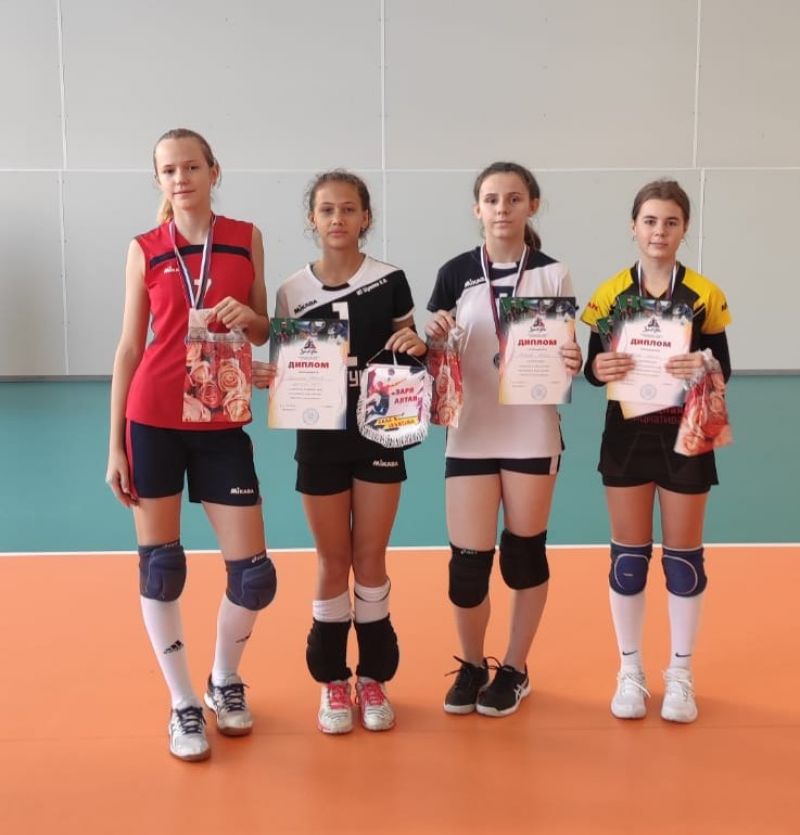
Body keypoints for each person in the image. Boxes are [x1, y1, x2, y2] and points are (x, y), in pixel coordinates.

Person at [106, 128, 274, 761]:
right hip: (152, 417)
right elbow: (130, 347)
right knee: (162, 567)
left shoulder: (246, 237)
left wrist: (248, 320)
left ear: (213, 171)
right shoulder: (145, 248)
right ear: (159, 180)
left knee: (254, 576)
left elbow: (262, 329)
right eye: (170, 170)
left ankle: (223, 678)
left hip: (220, 418)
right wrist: (115, 445)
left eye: (192, 167)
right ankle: (182, 704)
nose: (182, 178)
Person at [254, 170, 426, 734]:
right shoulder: (292, 290)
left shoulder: (390, 280)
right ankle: (332, 680)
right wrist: (270, 377)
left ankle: (373, 677)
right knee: (332, 560)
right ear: (313, 219)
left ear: (365, 217)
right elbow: (286, 367)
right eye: (327, 209)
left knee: (370, 557)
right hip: (320, 439)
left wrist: (417, 344)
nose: (337, 218)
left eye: (349, 209)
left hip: (380, 430)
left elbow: (409, 350)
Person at [426, 162, 582, 717]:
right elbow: (436, 359)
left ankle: (515, 668)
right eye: (491, 199)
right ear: (477, 208)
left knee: (523, 557)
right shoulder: (454, 273)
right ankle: (472, 665)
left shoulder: (553, 274)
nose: (502, 209)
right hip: (470, 431)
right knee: (468, 566)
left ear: (531, 206)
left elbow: (566, 354)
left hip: (532, 433)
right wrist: (433, 336)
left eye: (514, 199)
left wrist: (572, 358)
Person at [581, 179, 732, 723]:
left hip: (685, 436)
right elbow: (593, 367)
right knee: (628, 561)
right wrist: (598, 368)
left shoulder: (704, 295)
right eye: (649, 221)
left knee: (684, 563)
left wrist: (705, 364)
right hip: (627, 437)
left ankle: (681, 676)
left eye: (671, 222)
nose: (659, 231)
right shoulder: (609, 295)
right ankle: (630, 672)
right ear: (633, 227)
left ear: (684, 229)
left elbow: (724, 368)